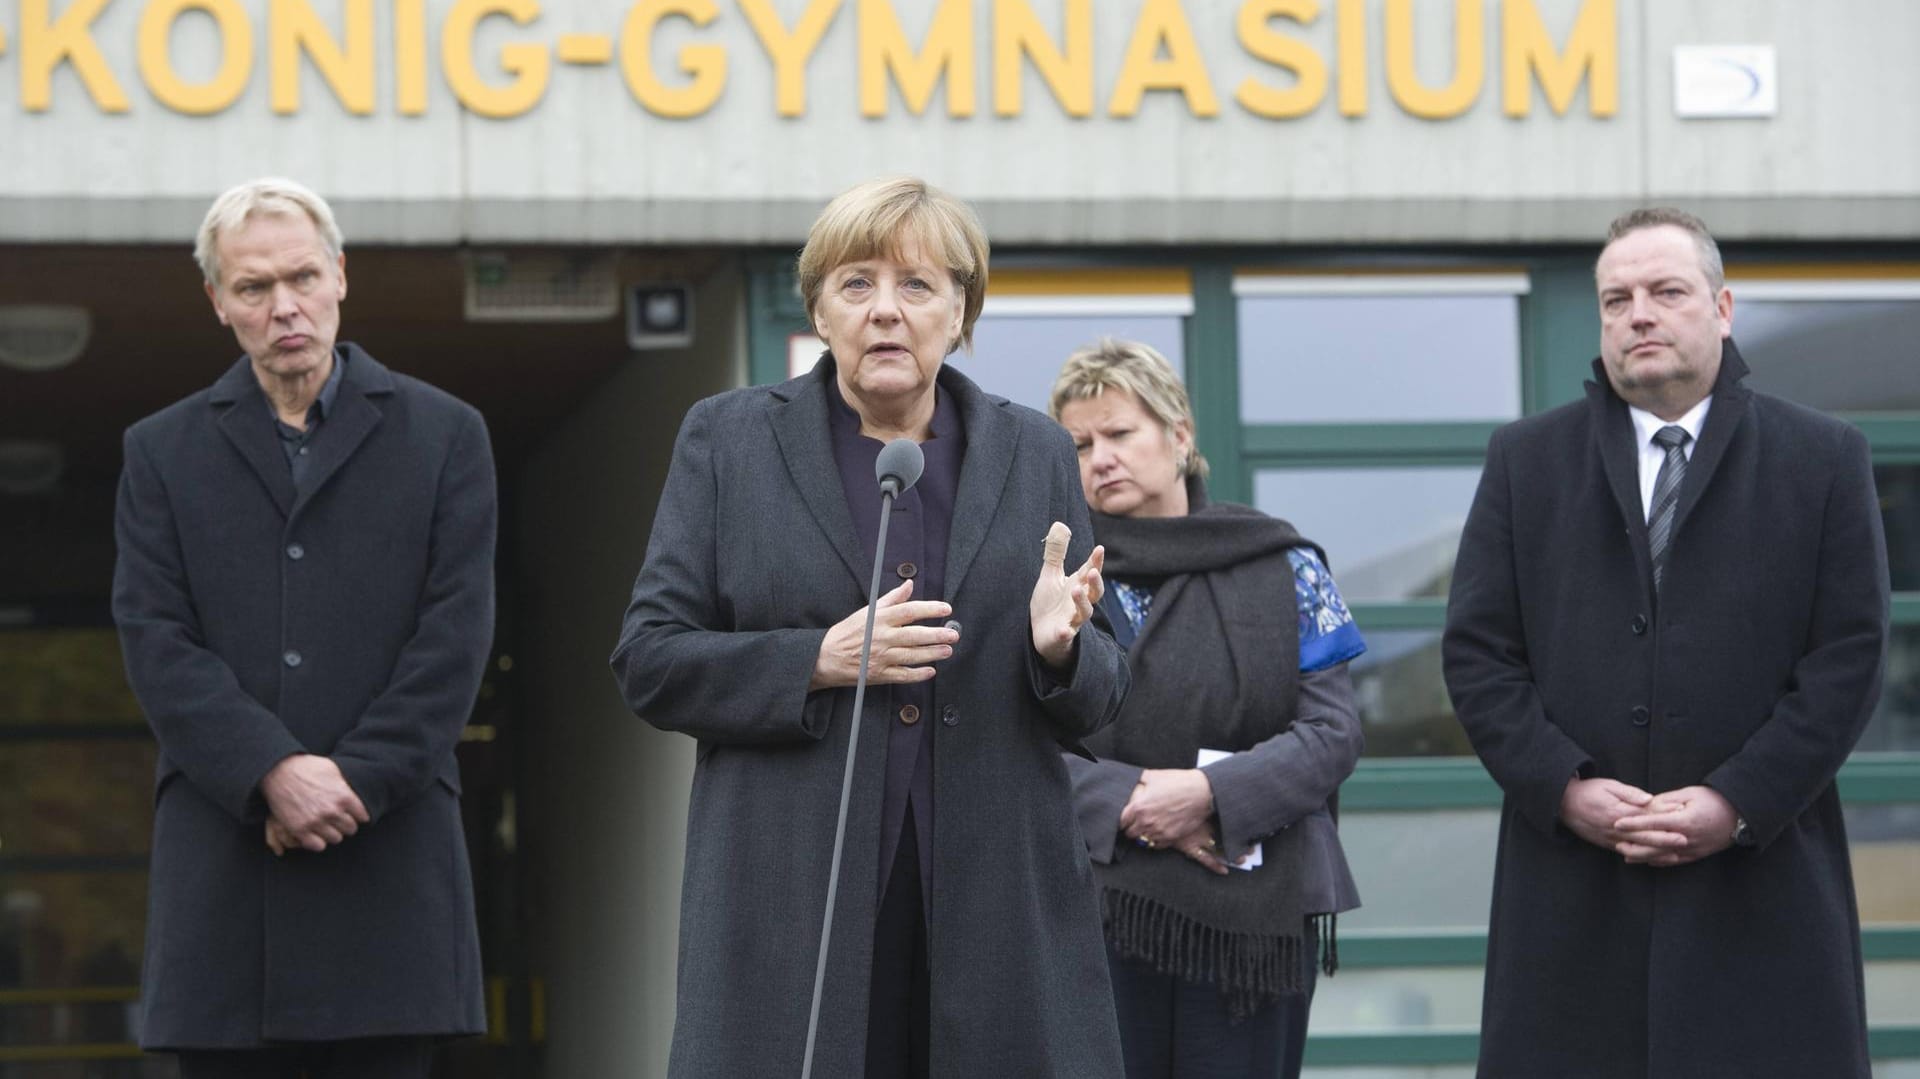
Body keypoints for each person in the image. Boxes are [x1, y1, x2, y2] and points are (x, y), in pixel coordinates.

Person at [610, 176, 1129, 1079]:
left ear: (961, 310)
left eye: (917, 286)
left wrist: (1060, 650)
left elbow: (1106, 691)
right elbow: (650, 658)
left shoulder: (1034, 451)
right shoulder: (729, 441)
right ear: (818, 306)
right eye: (856, 284)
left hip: (995, 905)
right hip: (788, 906)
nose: (885, 310)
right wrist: (816, 658)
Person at [1443, 208, 1890, 1078]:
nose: (1637, 314)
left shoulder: (1823, 457)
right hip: (1571, 894)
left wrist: (1738, 798)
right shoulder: (1525, 461)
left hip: (1762, 887)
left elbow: (1850, 656)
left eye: (1665, 292)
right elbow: (1478, 652)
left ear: (1723, 308)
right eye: (1616, 299)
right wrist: (1563, 785)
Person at [112, 178, 494, 1078]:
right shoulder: (159, 452)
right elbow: (154, 637)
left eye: (302, 277)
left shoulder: (446, 436)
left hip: (387, 871)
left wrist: (351, 778)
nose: (285, 306)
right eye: (253, 288)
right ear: (218, 302)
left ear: (340, 277)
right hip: (227, 882)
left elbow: (455, 638)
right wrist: (271, 772)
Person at [1050, 339, 1366, 1079]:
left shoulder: (1287, 566)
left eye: (1120, 433)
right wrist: (1127, 798)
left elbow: (1333, 731)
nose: (1101, 458)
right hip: (1091, 907)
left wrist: (1208, 797)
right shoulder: (1056, 582)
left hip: (1251, 921)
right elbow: (1006, 737)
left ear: (1180, 436)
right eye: (1081, 444)